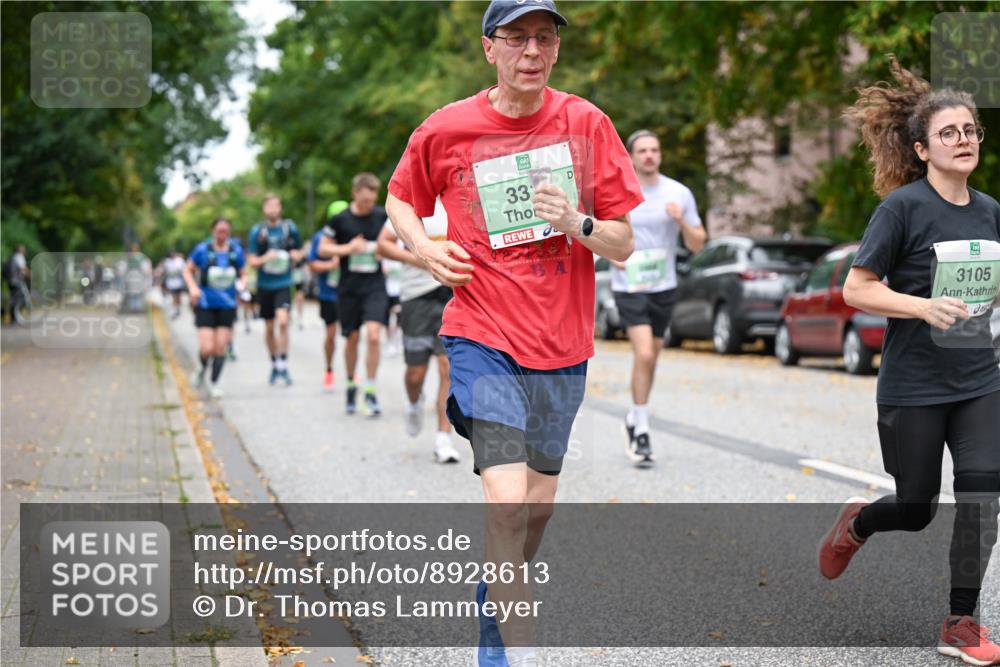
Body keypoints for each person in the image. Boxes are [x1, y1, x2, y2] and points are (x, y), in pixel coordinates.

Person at [385, 1, 641, 664]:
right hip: (480, 334)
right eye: (517, 37)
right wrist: (423, 250)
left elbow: (622, 242)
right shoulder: (447, 129)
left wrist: (576, 221)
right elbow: (399, 197)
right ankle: (514, 656)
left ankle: (495, 596)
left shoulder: (586, 124)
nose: (532, 50)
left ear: (556, 49)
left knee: (534, 512)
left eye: (545, 38)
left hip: (563, 349)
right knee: (504, 504)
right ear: (488, 48)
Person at [818, 57, 1000, 665]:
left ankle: (960, 620)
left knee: (982, 491)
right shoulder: (902, 209)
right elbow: (857, 288)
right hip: (915, 383)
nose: (965, 139)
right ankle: (860, 522)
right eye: (950, 132)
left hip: (979, 377)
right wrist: (922, 307)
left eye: (971, 129)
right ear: (922, 149)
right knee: (917, 506)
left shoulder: (991, 211)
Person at [613, 129, 705, 466]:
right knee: (646, 353)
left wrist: (681, 220)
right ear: (632, 156)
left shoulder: (678, 193)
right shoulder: (620, 191)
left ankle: (634, 416)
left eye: (654, 150)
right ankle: (641, 427)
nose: (649, 155)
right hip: (629, 285)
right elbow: (601, 233)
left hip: (663, 285)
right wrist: (613, 257)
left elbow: (698, 243)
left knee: (652, 357)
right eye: (643, 151)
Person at [378, 198, 462, 464]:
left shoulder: (459, 199)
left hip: (453, 292)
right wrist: (422, 258)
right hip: (417, 296)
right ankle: (414, 403)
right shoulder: (412, 204)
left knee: (447, 367)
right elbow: (383, 244)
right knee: (416, 373)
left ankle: (443, 439)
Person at [319, 174, 390, 417]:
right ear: (355, 193)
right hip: (349, 287)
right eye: (364, 202)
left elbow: (395, 241)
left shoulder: (382, 216)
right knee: (352, 339)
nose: (369, 205)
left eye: (372, 201)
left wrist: (383, 251)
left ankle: (370, 390)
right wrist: (348, 248)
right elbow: (323, 248)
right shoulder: (340, 220)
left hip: (375, 285)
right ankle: (351, 384)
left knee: (373, 335)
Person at [183, 218, 246, 398]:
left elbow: (243, 273)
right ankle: (202, 368)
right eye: (219, 230)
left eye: (226, 231)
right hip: (205, 305)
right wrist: (193, 288)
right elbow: (187, 270)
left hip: (227, 306)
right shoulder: (202, 250)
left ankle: (214, 382)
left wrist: (242, 285)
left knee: (220, 348)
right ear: (213, 231)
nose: (222, 234)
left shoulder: (236, 251)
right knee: (207, 347)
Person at [247, 194, 304, 386]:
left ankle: (284, 364)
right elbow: (252, 261)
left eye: (276, 205)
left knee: (283, 321)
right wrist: (266, 258)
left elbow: (300, 251)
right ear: (264, 209)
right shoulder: (258, 232)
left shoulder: (290, 228)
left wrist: (295, 254)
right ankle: (273, 364)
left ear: (280, 208)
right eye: (269, 205)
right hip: (264, 285)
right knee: (270, 327)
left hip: (283, 283)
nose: (273, 209)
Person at [310, 200, 349, 391]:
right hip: (328, 294)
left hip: (349, 292)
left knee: (352, 335)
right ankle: (329, 369)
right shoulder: (320, 238)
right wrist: (329, 265)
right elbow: (312, 264)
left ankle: (351, 372)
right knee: (331, 334)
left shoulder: (352, 235)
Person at [162, 250, 187, 319]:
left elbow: (184, 270)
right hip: (171, 282)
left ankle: (178, 308)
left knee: (178, 297)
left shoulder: (180, 261)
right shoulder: (167, 262)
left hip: (179, 282)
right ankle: (175, 309)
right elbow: (164, 271)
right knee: (173, 296)